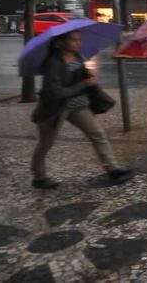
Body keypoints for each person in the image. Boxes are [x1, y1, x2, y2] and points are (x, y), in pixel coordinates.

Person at [30, 31, 133, 189]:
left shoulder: (77, 56)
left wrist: (87, 74)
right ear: (60, 43)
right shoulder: (53, 63)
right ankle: (39, 176)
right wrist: (85, 84)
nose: (78, 43)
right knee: (46, 143)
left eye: (79, 40)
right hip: (55, 108)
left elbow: (77, 77)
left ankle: (113, 169)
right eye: (73, 40)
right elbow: (56, 92)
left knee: (97, 134)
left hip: (78, 105)